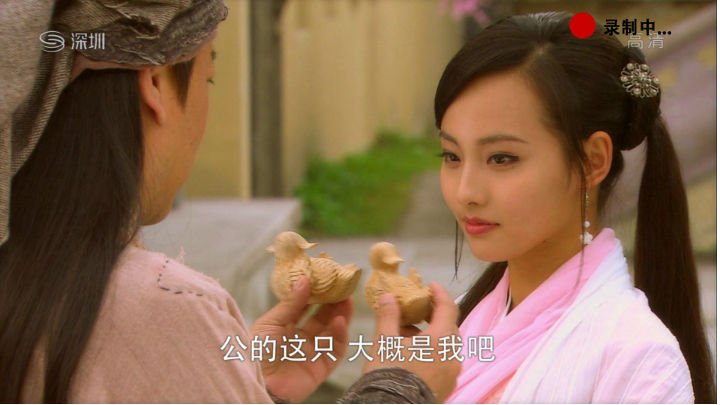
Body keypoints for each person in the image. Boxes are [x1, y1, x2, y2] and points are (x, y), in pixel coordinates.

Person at [0, 0, 460, 402]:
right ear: (155, 83)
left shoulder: (24, 284)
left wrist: (243, 386)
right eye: (210, 79)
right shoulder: (161, 309)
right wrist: (399, 387)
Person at [433, 12, 715, 403]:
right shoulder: (456, 324)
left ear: (592, 161)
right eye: (451, 156)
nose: (465, 192)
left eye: (501, 158)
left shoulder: (638, 360)